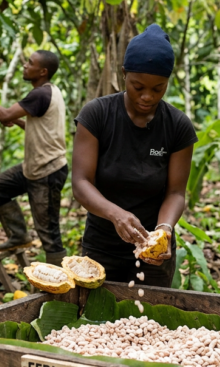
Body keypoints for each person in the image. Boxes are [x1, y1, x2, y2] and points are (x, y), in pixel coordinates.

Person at [72, 25, 198, 286]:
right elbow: (81, 183)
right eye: (138, 86)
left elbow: (176, 192)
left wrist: (164, 229)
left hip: (154, 250)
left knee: (148, 323)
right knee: (96, 323)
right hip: (103, 244)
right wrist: (116, 215)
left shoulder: (177, 126)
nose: (147, 96)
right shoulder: (97, 115)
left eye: (158, 88)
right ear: (124, 74)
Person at [0, 50, 68, 265]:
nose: (25, 66)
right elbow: (41, 126)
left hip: (47, 171)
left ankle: (61, 287)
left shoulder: (40, 94)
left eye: (30, 63)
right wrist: (20, 122)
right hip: (34, 167)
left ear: (42, 71)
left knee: (49, 234)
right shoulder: (50, 91)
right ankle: (19, 235)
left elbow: (3, 114)